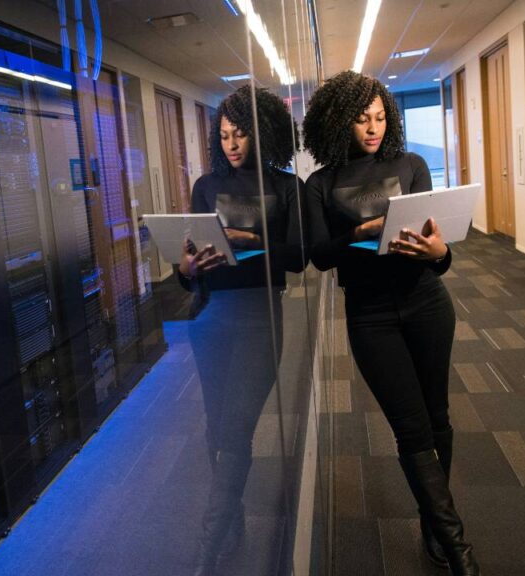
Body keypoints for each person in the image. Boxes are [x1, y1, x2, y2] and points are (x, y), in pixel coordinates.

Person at [302, 71, 479, 575]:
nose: (373, 128)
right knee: (410, 427)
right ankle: (457, 545)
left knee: (437, 417)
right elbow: (318, 255)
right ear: (339, 123)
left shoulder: (412, 164)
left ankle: (432, 524)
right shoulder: (321, 183)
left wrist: (441, 251)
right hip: (371, 315)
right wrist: (362, 231)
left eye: (380, 117)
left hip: (426, 303)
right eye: (361, 120)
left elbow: (435, 254)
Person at [177, 85, 305, 575]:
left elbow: (296, 259)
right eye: (225, 135)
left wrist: (252, 238)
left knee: (236, 429)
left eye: (241, 134)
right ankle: (232, 521)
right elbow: (188, 273)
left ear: (262, 131)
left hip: (260, 317)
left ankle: (208, 547)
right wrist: (187, 269)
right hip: (212, 319)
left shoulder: (285, 186)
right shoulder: (206, 186)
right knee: (216, 428)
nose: (231, 144)